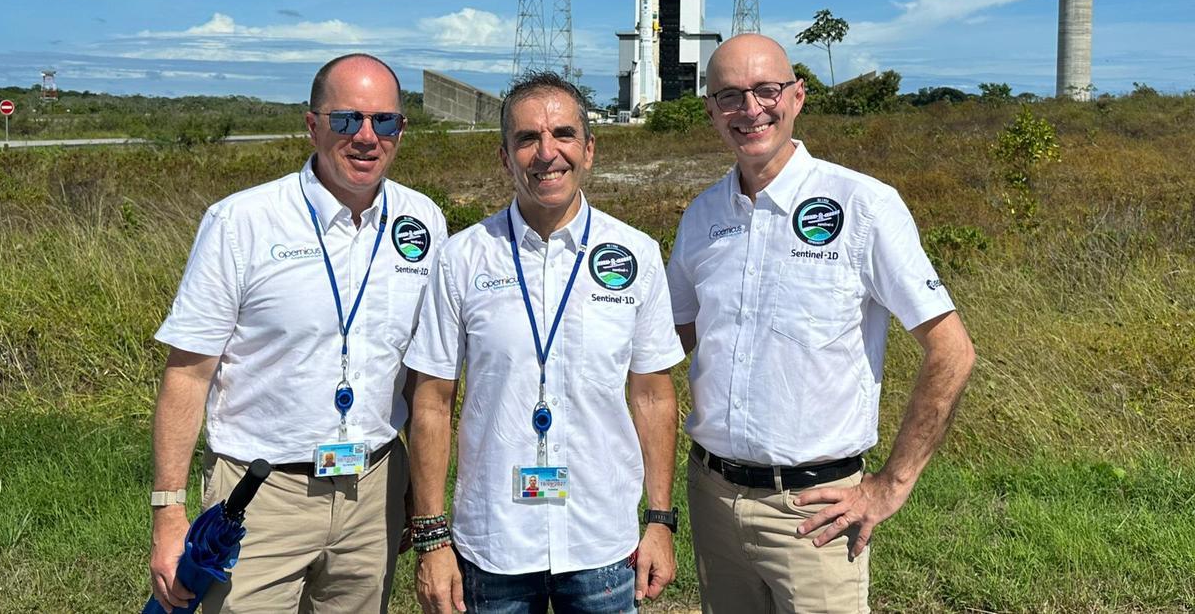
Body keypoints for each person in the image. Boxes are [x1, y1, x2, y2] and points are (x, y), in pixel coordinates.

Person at [668, 34, 975, 614]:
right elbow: (672, 338)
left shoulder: (864, 205)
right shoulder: (702, 215)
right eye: (730, 95)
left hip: (815, 513)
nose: (751, 109)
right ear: (709, 108)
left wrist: (891, 485)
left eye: (767, 90)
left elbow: (952, 351)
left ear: (798, 96)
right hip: (711, 497)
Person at [148, 53, 446, 614]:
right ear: (312, 124)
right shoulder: (242, 222)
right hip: (261, 496)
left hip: (373, 487)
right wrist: (169, 512)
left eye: (385, 121)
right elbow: (188, 375)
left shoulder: (424, 221)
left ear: (402, 128)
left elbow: (418, 373)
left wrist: (419, 492)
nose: (366, 137)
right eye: (345, 120)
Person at [406, 71, 685, 614]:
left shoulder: (636, 254)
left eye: (562, 134)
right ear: (505, 157)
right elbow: (432, 403)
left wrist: (660, 521)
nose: (546, 153)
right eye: (527, 138)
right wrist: (432, 539)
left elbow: (653, 395)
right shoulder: (461, 258)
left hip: (602, 540)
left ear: (589, 149)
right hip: (494, 543)